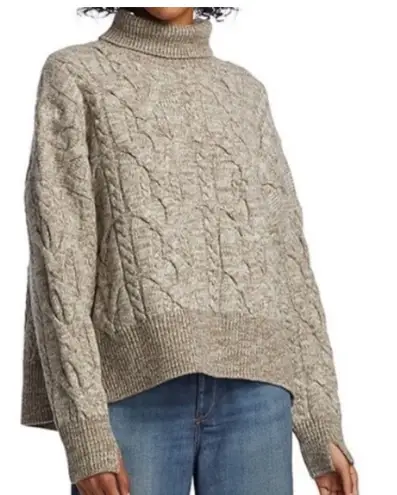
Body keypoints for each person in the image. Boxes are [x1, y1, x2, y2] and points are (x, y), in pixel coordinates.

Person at [20, 6, 358, 495]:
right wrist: (86, 431)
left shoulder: (244, 92)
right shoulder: (75, 74)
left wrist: (320, 420)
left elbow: (288, 260)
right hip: (135, 395)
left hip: (258, 396)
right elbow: (59, 264)